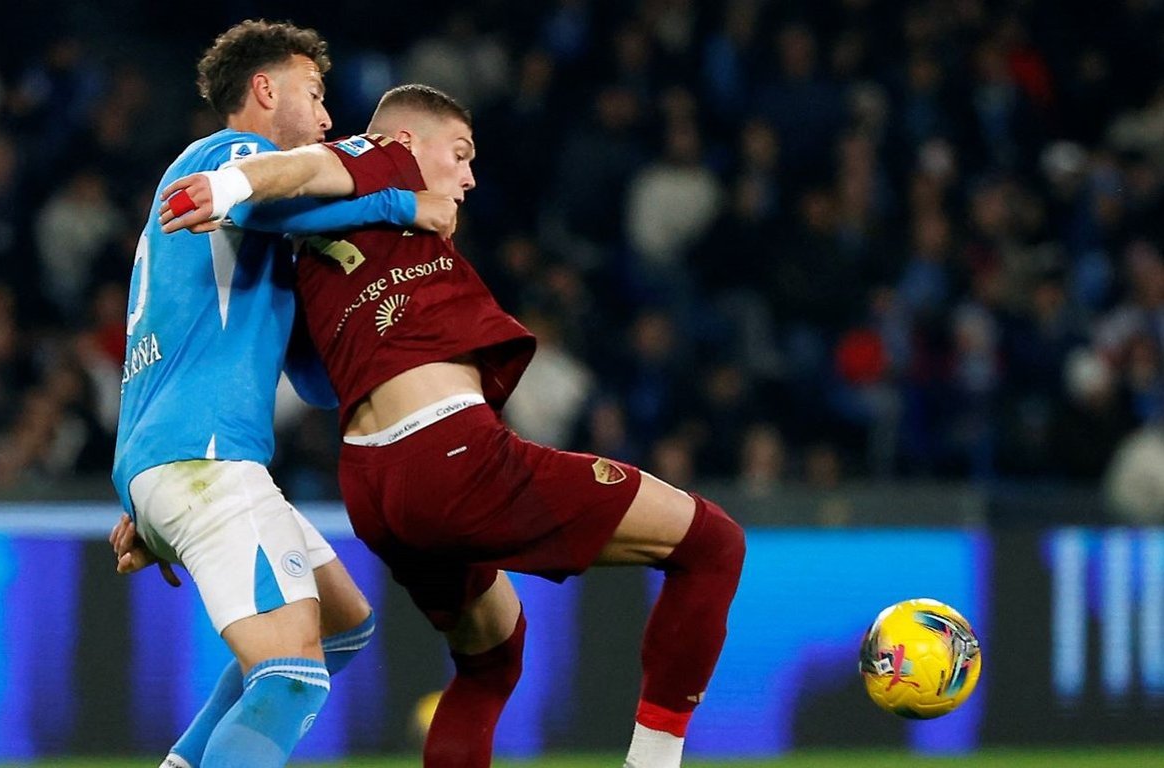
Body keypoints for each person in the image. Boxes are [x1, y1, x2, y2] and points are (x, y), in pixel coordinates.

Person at [161, 84, 747, 768]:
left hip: (373, 485)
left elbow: (315, 382)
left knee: (492, 655)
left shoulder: (312, 252)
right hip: (448, 449)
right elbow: (306, 166)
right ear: (406, 141)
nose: (469, 178)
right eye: (461, 154)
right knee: (714, 543)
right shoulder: (387, 157)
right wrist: (228, 186)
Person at [111, 22, 457, 768]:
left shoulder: (244, 231)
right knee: (291, 678)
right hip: (205, 459)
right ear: (265, 90)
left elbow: (313, 382)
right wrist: (403, 207)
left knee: (341, 625)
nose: (327, 117)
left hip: (176, 461)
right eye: (315, 93)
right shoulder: (229, 157)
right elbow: (268, 201)